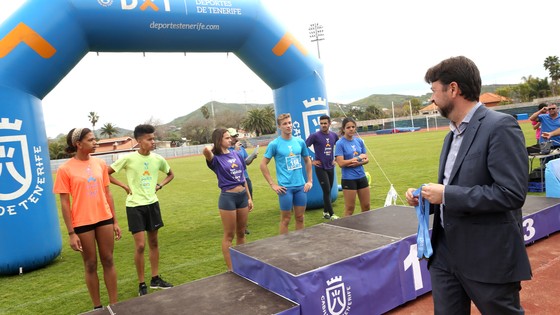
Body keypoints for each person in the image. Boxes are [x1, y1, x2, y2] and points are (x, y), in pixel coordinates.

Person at [405, 56, 531, 314]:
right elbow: (455, 189)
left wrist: (447, 195)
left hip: (488, 255)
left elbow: (511, 193)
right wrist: (427, 199)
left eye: (434, 91)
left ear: (453, 89)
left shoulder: (500, 126)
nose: (432, 99)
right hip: (444, 255)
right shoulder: (451, 135)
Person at [53, 128, 121, 310]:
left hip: (104, 218)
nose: (95, 142)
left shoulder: (99, 163)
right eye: (91, 140)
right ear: (78, 144)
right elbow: (65, 203)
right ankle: (97, 307)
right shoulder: (65, 169)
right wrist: (71, 233)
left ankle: (115, 304)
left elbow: (107, 193)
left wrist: (115, 221)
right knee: (90, 264)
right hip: (82, 223)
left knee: (108, 259)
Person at [108, 124, 174, 296]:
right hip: (134, 207)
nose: (153, 142)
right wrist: (123, 185)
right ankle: (141, 283)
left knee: (154, 243)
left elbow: (170, 174)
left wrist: (159, 185)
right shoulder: (128, 159)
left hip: (152, 204)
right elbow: (106, 173)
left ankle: (155, 279)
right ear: (139, 141)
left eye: (154, 138)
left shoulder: (158, 159)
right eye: (149, 139)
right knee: (140, 246)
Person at [203, 128, 253, 271]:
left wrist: (249, 198)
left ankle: (243, 264)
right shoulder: (215, 159)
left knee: (241, 233)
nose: (230, 140)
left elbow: (243, 178)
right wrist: (216, 145)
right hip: (228, 198)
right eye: (226, 138)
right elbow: (206, 150)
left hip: (242, 196)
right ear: (219, 140)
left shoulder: (236, 154)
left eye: (230, 137)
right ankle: (232, 269)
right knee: (229, 235)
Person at [260, 113, 313, 234]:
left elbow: (307, 161)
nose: (288, 126)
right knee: (286, 219)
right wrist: (273, 184)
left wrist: (310, 181)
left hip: (300, 187)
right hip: (285, 188)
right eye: (285, 124)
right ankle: (284, 248)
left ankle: (298, 244)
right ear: (279, 127)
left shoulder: (300, 142)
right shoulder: (274, 144)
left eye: (290, 123)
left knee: (300, 218)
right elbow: (263, 165)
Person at [305, 115, 340, 220]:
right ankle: (332, 214)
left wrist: (336, 158)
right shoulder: (315, 136)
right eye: (321, 123)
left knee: (328, 190)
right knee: (326, 191)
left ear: (329, 123)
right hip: (320, 167)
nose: (323, 125)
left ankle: (325, 212)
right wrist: (311, 161)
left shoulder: (334, 135)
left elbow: (339, 147)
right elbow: (303, 147)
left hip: (330, 166)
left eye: (325, 123)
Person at [334, 117, 370, 217]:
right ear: (343, 129)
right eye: (348, 127)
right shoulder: (340, 143)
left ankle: (366, 229)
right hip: (349, 179)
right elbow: (341, 163)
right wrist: (358, 158)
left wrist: (359, 162)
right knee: (350, 208)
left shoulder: (359, 141)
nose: (351, 129)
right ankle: (345, 231)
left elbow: (366, 159)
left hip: (361, 177)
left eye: (353, 127)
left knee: (366, 206)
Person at [228, 127, 257, 234]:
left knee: (247, 201)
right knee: (236, 202)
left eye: (236, 136)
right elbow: (230, 163)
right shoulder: (226, 150)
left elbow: (246, 162)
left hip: (245, 177)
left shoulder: (241, 148)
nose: (235, 138)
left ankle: (243, 224)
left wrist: (252, 157)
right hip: (234, 180)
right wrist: (235, 151)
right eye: (233, 136)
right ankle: (238, 226)